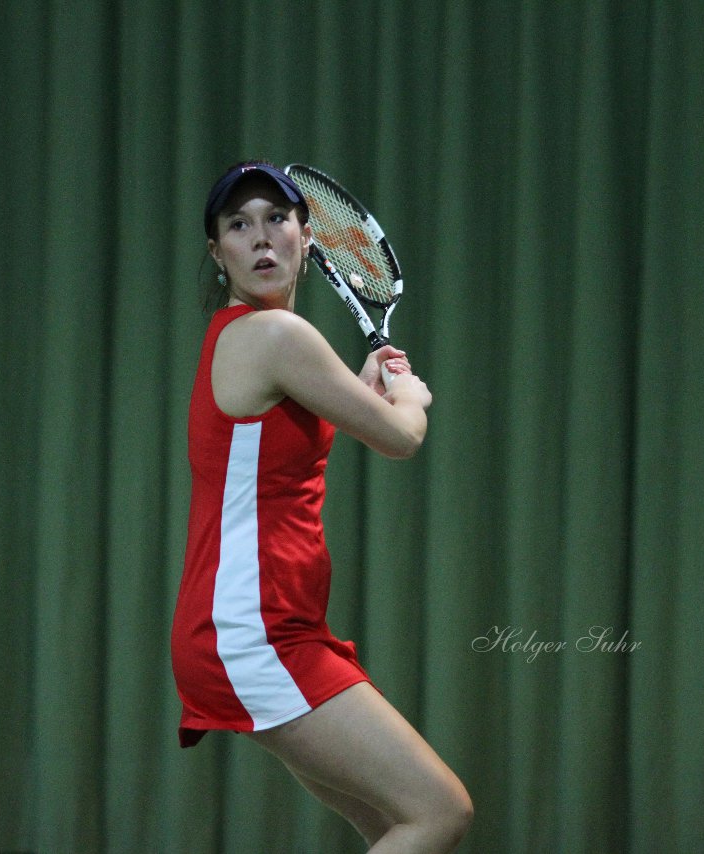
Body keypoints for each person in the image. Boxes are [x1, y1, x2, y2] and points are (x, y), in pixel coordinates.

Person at [170, 161, 473, 852]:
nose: (262, 238)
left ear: (310, 236)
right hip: (255, 633)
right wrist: (408, 397)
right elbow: (400, 437)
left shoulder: (253, 339)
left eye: (277, 218)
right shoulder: (275, 337)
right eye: (239, 225)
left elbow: (295, 436)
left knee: (387, 828)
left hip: (268, 627)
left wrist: (373, 388)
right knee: (439, 812)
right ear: (218, 254)